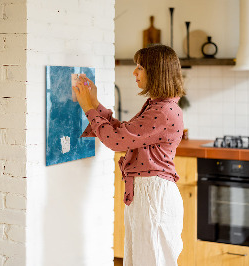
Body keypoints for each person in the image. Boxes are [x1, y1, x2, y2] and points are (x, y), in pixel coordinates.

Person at [73, 44, 185, 266]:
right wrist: (94, 104)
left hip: (153, 197)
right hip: (148, 195)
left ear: (156, 72)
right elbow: (124, 133)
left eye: (140, 67)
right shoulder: (158, 106)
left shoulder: (162, 111)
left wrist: (88, 108)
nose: (135, 73)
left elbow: (116, 141)